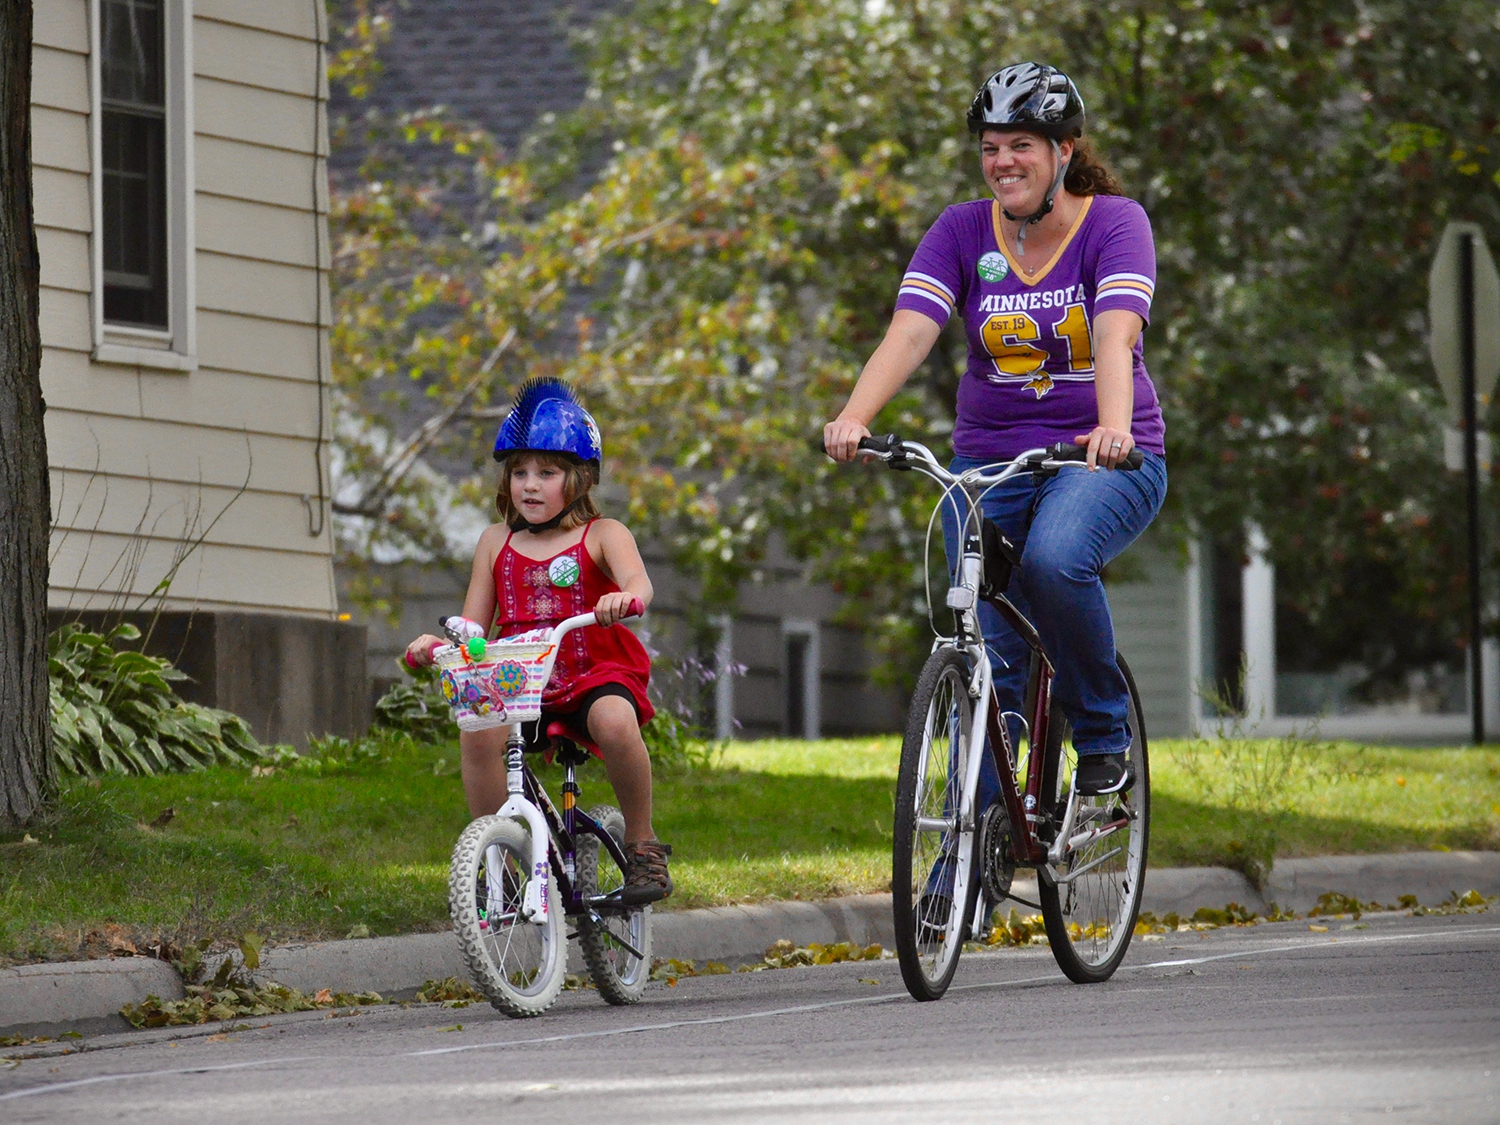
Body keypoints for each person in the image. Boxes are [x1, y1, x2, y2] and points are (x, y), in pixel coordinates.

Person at [823, 62, 1168, 798]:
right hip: (989, 463)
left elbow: (1114, 338)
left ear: (1064, 151)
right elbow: (911, 333)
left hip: (1105, 459)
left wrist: (1111, 428)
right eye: (990, 147)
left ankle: (1104, 733)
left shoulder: (1115, 222)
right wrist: (857, 415)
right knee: (983, 661)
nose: (1003, 161)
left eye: (1021, 144)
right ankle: (961, 873)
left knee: (1053, 559)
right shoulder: (959, 230)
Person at [404, 378, 672, 903]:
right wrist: (438, 646)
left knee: (614, 721)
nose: (530, 484)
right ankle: (497, 856)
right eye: (519, 472)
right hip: (520, 677)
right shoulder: (494, 542)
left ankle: (641, 843)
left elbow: (640, 583)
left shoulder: (604, 533)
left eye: (547, 472)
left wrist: (625, 600)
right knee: (479, 729)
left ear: (581, 478)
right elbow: (473, 627)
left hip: (594, 668)